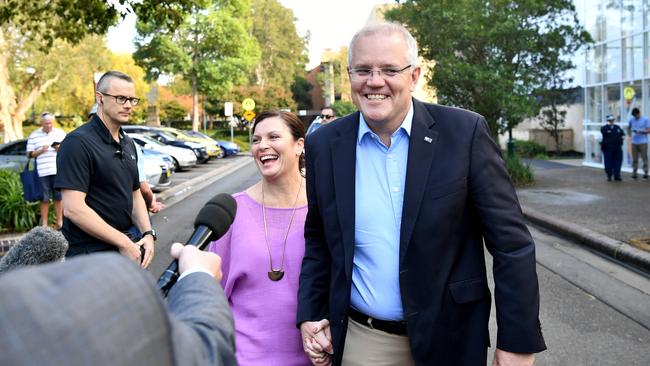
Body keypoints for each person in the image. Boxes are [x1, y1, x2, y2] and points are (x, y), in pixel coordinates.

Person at [297, 22, 546, 366]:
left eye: (389, 70)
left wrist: (517, 342)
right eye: (363, 70)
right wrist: (311, 312)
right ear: (350, 75)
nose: (374, 81)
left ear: (414, 76)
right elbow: (318, 240)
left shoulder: (464, 133)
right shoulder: (324, 144)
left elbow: (512, 245)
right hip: (365, 341)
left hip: (451, 337)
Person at [0, 243, 237, 366]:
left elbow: (137, 191)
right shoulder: (120, 290)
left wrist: (148, 232)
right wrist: (197, 274)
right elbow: (204, 351)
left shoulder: (127, 149)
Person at [208, 110, 310, 365]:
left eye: (273, 136)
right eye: (256, 140)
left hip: (318, 356)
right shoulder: (231, 211)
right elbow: (211, 293)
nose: (262, 145)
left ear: (299, 145)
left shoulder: (325, 206)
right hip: (245, 358)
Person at [55, 71, 156, 268]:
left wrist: (148, 233)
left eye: (132, 100)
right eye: (120, 98)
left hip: (125, 251)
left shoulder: (128, 143)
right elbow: (73, 209)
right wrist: (124, 242)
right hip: (88, 257)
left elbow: (134, 194)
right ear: (100, 98)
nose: (128, 105)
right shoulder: (77, 143)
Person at [26, 112, 66, 228]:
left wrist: (59, 148)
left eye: (50, 123)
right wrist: (40, 151)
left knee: (59, 197)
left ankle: (60, 222)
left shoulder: (60, 133)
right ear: (41, 123)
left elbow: (69, 150)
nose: (48, 125)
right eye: (46, 123)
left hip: (57, 170)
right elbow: (28, 154)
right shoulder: (34, 135)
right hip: (42, 172)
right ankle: (44, 224)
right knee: (44, 198)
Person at [600, 114, 625, 181]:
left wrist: (622, 138)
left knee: (618, 162)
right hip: (608, 148)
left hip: (617, 148)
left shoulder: (617, 127)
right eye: (610, 120)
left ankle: (617, 175)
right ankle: (609, 175)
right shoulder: (604, 128)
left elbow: (622, 134)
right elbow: (604, 133)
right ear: (608, 120)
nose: (611, 121)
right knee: (608, 162)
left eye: (612, 120)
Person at [627, 107, 649, 179]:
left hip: (643, 142)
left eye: (636, 116)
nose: (635, 117)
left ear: (639, 113)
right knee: (634, 158)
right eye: (634, 116)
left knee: (644, 158)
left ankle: (645, 172)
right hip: (634, 142)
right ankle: (634, 172)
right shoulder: (632, 120)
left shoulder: (645, 119)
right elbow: (629, 127)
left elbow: (649, 130)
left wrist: (641, 132)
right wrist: (629, 135)